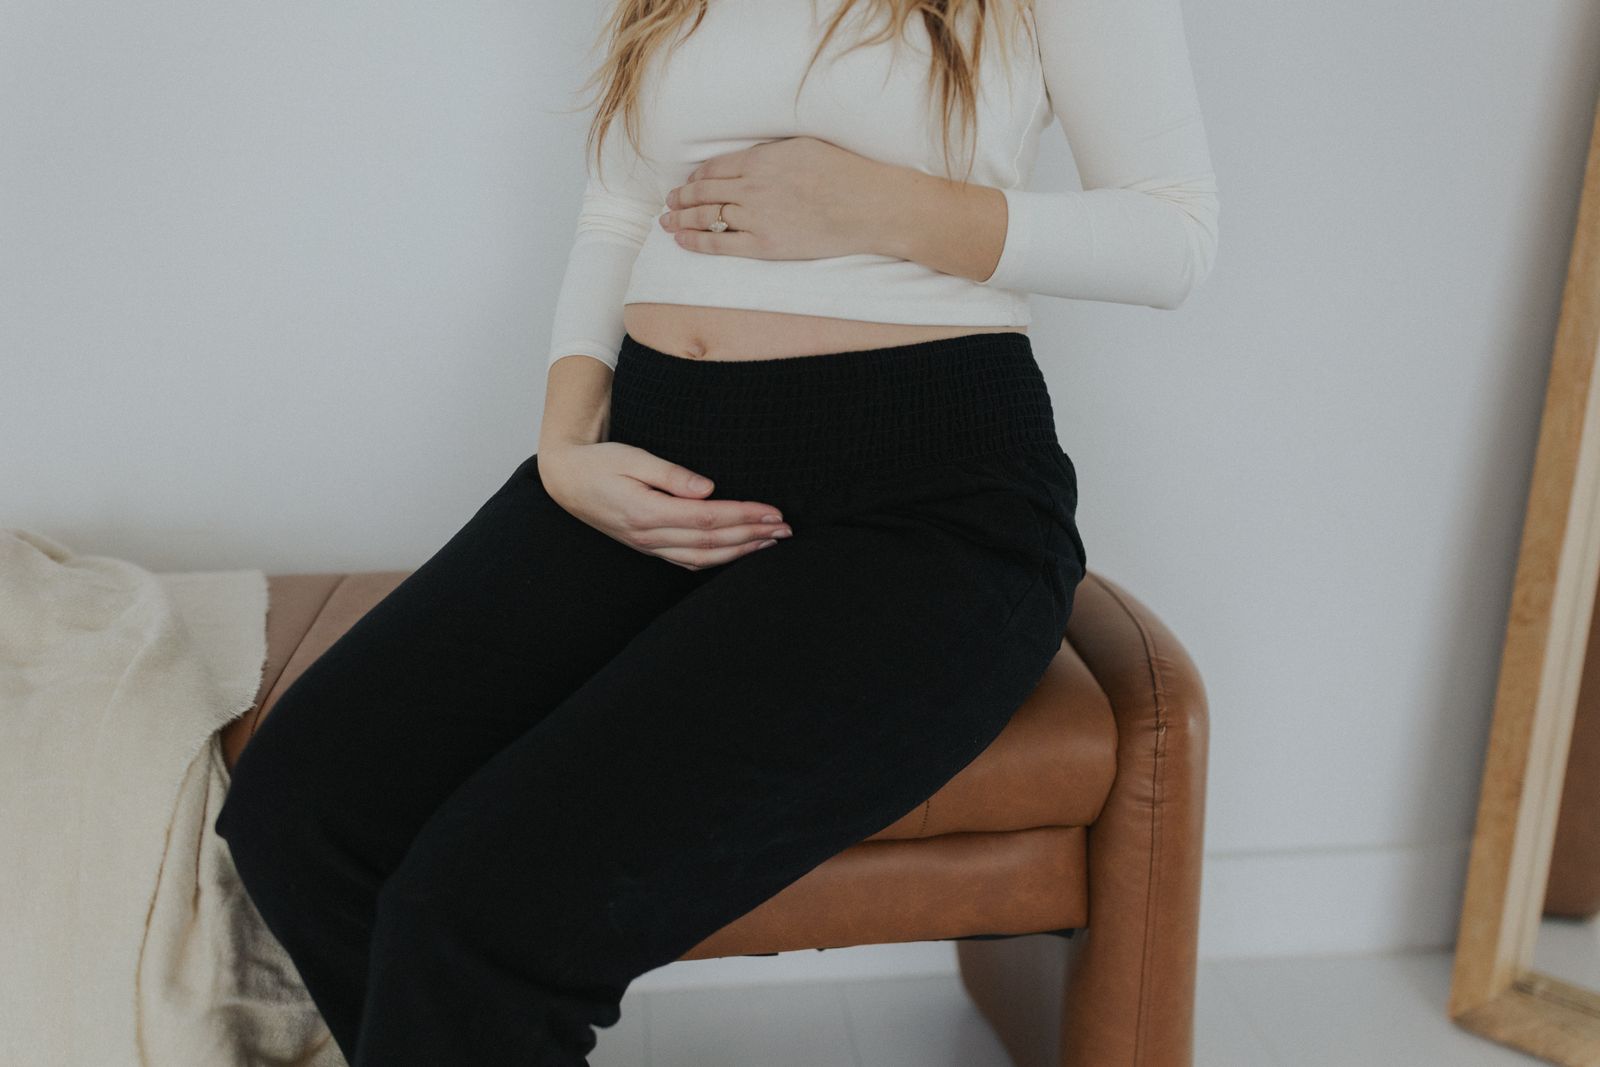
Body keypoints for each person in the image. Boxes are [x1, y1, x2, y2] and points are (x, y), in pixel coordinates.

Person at [213, 0, 1219, 1062]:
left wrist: (880, 206)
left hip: (922, 499)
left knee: (486, 912)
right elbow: (621, 201)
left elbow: (1175, 235)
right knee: (302, 813)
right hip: (651, 461)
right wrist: (564, 445)